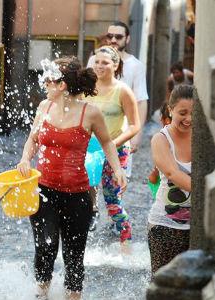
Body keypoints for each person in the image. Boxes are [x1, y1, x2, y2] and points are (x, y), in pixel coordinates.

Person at [17, 57, 127, 300]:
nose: (44, 82)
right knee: (45, 247)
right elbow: (33, 139)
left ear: (62, 85)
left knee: (73, 253)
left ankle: (73, 296)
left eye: (49, 79)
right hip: (43, 191)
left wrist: (117, 169)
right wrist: (25, 159)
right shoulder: (44, 107)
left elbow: (107, 142)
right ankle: (41, 294)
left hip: (78, 195)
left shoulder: (90, 113)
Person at [85, 46, 140, 241]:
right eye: (97, 62)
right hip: (88, 150)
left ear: (115, 65)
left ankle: (126, 240)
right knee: (82, 193)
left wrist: (110, 144)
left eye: (105, 62)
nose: (99, 66)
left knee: (112, 200)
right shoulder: (86, 88)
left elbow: (134, 125)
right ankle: (89, 220)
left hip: (115, 150)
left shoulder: (123, 91)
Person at [148, 84, 194, 276]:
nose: (189, 118)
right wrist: (210, 194)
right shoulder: (160, 139)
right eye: (183, 112)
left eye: (194, 112)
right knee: (163, 287)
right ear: (170, 110)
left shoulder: (204, 137)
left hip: (198, 226)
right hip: (165, 227)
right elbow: (172, 173)